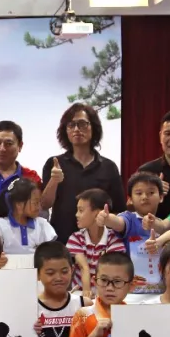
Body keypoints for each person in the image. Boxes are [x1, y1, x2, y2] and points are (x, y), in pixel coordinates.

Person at [40, 104, 125, 244]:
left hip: (98, 245)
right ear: (65, 130)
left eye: (82, 124)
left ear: (94, 127)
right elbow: (44, 204)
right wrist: (54, 181)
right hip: (62, 241)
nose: (76, 129)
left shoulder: (109, 167)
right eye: (71, 125)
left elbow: (119, 210)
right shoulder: (54, 163)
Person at [97, 172, 165, 301]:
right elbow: (119, 223)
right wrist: (107, 219)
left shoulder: (164, 225)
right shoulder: (129, 218)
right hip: (130, 292)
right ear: (130, 199)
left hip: (160, 291)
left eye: (151, 193)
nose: (145, 197)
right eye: (139, 193)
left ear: (161, 197)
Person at [67, 188, 123, 296]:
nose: (76, 215)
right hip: (80, 293)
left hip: (105, 294)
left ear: (97, 213)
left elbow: (110, 271)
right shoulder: (76, 238)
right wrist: (86, 293)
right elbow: (83, 267)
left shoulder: (114, 239)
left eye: (81, 210)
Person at [0, 178, 56, 256]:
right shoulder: (0, 225)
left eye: (39, 202)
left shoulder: (42, 224)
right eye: (35, 203)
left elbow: (51, 255)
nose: (39, 207)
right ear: (19, 205)